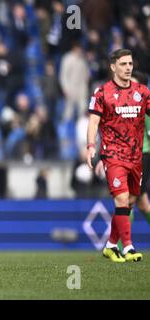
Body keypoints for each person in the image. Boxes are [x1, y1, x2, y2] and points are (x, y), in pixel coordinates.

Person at [87, 49, 149, 263]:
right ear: (113, 67)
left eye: (130, 63)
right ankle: (128, 248)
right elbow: (94, 122)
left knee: (129, 203)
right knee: (122, 199)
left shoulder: (142, 92)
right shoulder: (102, 93)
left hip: (136, 157)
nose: (128, 67)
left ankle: (111, 245)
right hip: (113, 155)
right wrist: (90, 146)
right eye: (123, 64)